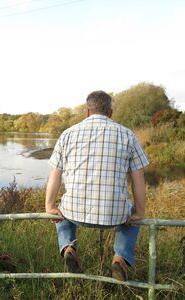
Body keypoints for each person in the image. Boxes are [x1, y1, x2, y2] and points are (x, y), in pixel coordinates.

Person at [45, 90, 149, 281]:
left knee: (60, 207)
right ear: (110, 112)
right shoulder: (127, 135)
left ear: (87, 112)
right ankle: (121, 258)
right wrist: (140, 212)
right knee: (134, 213)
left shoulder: (68, 134)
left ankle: (69, 247)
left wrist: (49, 206)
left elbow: (55, 174)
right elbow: (138, 178)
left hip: (74, 213)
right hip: (115, 215)